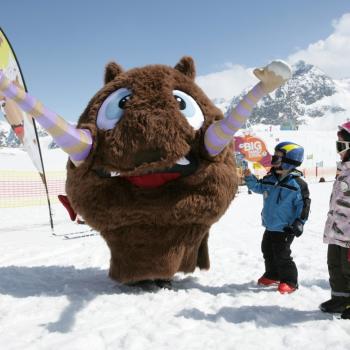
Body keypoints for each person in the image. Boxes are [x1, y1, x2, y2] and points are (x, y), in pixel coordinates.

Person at [244, 141, 311, 294]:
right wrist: (249, 178)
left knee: (282, 255)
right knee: (267, 250)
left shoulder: (297, 184)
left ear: (289, 162)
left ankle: (289, 281)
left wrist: (299, 222)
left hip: (285, 228)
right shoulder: (270, 179)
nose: (274, 161)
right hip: (270, 225)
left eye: (278, 158)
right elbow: (258, 187)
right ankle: (272, 274)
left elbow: (304, 205)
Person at [320, 122, 350, 319]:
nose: (338, 151)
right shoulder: (344, 169)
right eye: (337, 146)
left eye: (341, 146)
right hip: (337, 228)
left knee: (348, 269)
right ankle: (340, 299)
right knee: (335, 265)